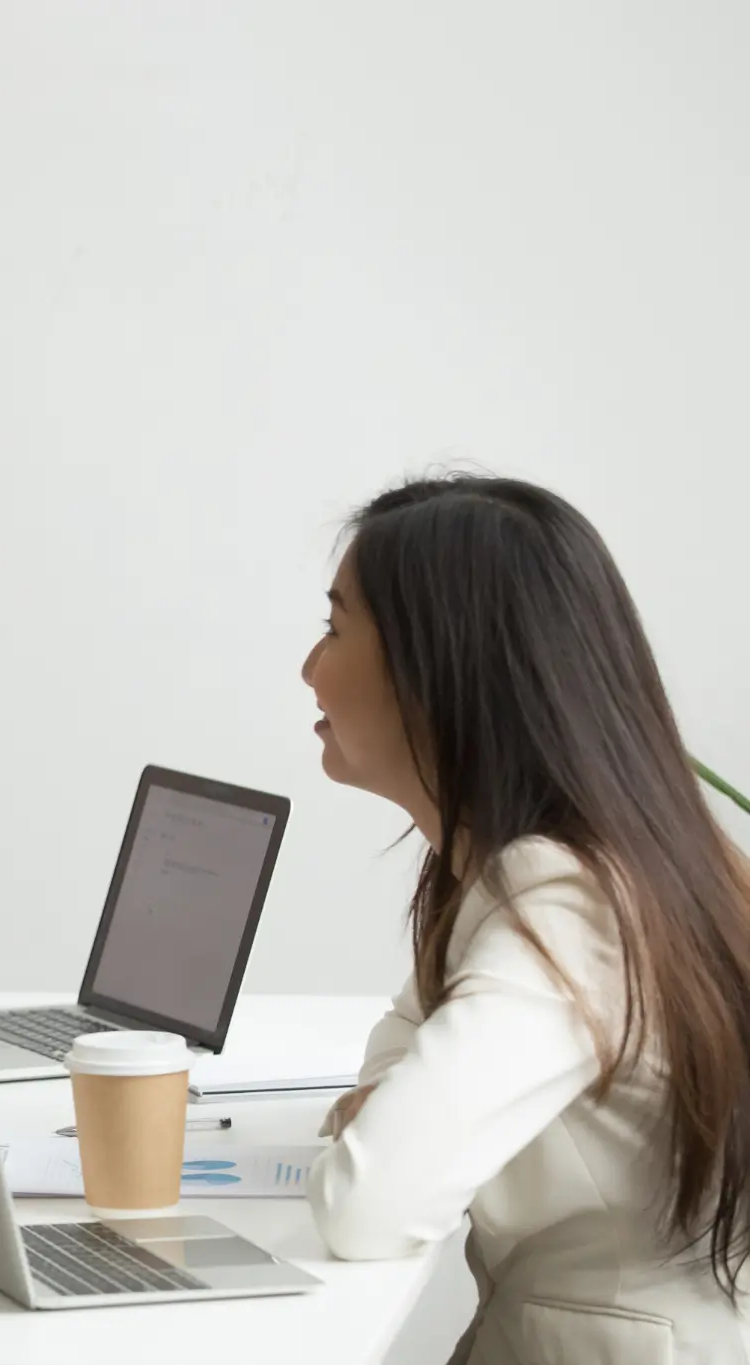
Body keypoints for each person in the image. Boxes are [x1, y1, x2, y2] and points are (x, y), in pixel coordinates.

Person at [299, 475, 750, 1361]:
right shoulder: (576, 863)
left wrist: (391, 1112)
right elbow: (403, 1040)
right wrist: (398, 1099)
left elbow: (368, 1202)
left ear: (436, 672)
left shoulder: (566, 902)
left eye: (334, 627)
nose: (310, 668)